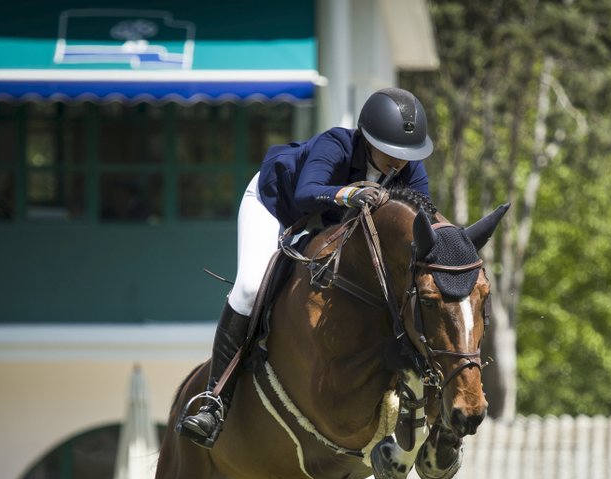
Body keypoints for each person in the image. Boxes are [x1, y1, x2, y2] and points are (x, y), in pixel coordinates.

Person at [178, 87, 434, 447]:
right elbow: (304, 193)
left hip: (327, 227)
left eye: (406, 154)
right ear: (368, 138)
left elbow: (424, 221)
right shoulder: (337, 145)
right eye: (391, 151)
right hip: (276, 204)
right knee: (251, 287)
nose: (400, 162)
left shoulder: (409, 168)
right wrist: (350, 193)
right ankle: (214, 400)